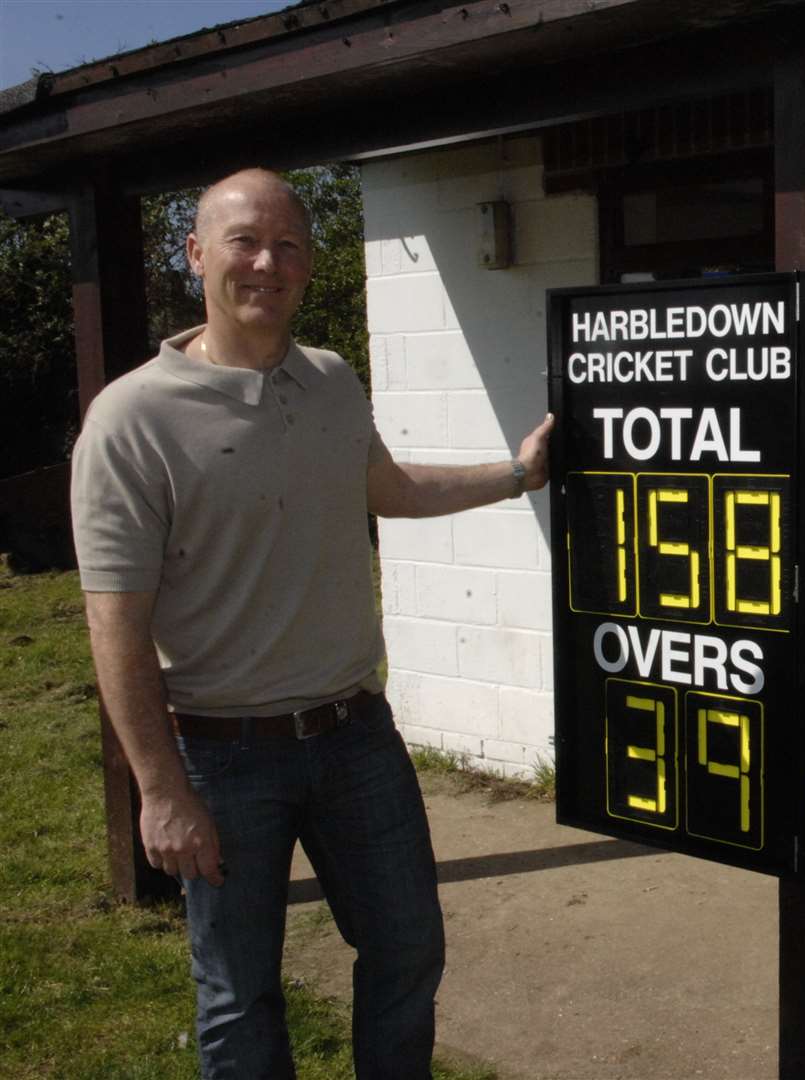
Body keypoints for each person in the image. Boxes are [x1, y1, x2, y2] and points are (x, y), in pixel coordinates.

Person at [69, 167, 555, 1079]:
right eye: (245, 241)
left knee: (409, 954)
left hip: (355, 736)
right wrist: (162, 791)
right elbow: (115, 625)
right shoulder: (130, 419)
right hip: (221, 757)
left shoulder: (329, 378)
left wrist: (516, 473)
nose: (267, 263)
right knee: (239, 993)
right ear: (197, 256)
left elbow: (389, 488)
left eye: (289, 245)